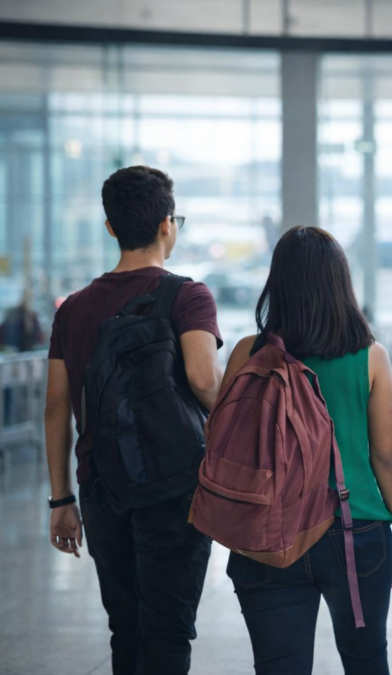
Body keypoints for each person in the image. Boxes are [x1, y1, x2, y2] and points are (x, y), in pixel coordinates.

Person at [45, 166, 222, 675]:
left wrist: (61, 499)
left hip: (101, 487)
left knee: (126, 629)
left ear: (110, 228)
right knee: (167, 633)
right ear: (168, 225)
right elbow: (205, 381)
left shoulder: (73, 309)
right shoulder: (188, 296)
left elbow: (58, 406)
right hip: (173, 490)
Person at [223, 226, 392, 675]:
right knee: (367, 662)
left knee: (278, 667)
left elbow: (226, 442)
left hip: (267, 530)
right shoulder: (369, 356)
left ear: (278, 282)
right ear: (339, 283)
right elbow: (385, 455)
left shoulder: (248, 353)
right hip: (356, 530)